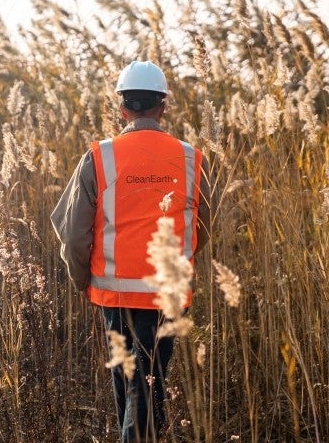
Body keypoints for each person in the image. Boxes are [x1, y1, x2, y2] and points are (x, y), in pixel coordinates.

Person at [51, 60, 211, 443]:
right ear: (164, 105)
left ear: (121, 107)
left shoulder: (100, 156)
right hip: (165, 292)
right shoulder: (191, 158)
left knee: (134, 387)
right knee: (144, 386)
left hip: (114, 293)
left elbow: (72, 232)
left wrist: (82, 279)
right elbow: (203, 225)